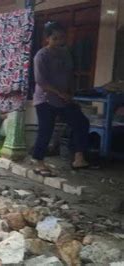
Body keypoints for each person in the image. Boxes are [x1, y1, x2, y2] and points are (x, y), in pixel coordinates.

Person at [33, 21, 90, 176]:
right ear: (47, 39)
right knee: (46, 130)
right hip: (45, 99)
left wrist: (70, 93)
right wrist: (59, 93)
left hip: (64, 99)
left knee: (81, 122)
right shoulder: (41, 55)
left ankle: (79, 158)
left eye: (61, 38)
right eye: (55, 38)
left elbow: (69, 74)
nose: (59, 42)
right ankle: (39, 162)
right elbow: (41, 81)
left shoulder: (66, 54)